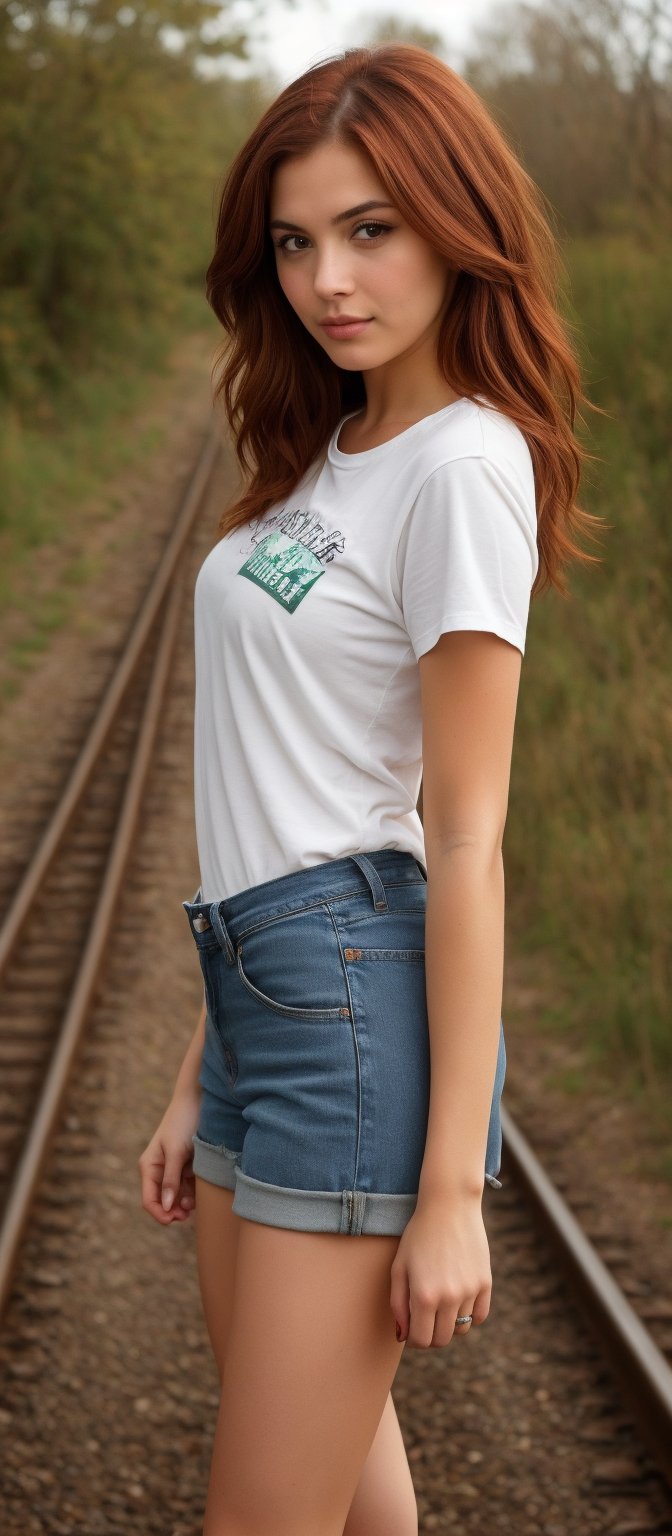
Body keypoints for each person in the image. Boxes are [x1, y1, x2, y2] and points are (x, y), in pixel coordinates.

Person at [139, 42, 602, 1536]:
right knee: (346, 1501)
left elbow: (460, 835)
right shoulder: (335, 452)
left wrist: (460, 1190)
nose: (328, 278)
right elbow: (298, 784)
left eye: (370, 230)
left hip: (346, 1014)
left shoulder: (463, 467)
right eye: (294, 241)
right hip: (260, 995)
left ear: (455, 225)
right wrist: (198, 1064)